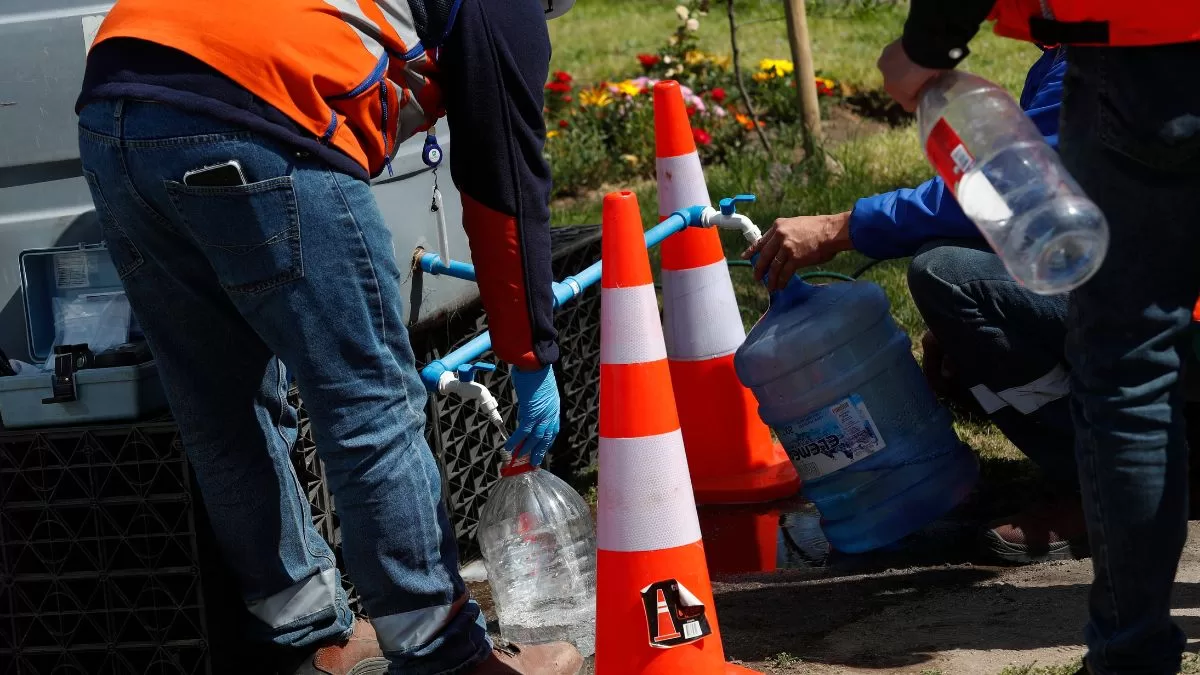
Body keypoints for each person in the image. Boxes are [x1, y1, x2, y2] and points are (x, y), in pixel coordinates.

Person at [75, 1, 581, 674]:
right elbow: (504, 182)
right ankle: (445, 656)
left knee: (220, 409)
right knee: (368, 402)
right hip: (258, 105)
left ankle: (310, 639)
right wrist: (528, 353)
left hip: (115, 106)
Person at [875, 1, 1200, 673]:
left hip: (1153, 42)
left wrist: (930, 43)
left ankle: (1129, 658)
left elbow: (1013, 190)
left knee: (1129, 372)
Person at [746, 47, 1087, 565]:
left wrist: (841, 228)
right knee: (963, 295)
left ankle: (1112, 486)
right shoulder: (1077, 50)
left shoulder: (1111, 55)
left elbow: (1006, 192)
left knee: (947, 275)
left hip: (1169, 302)